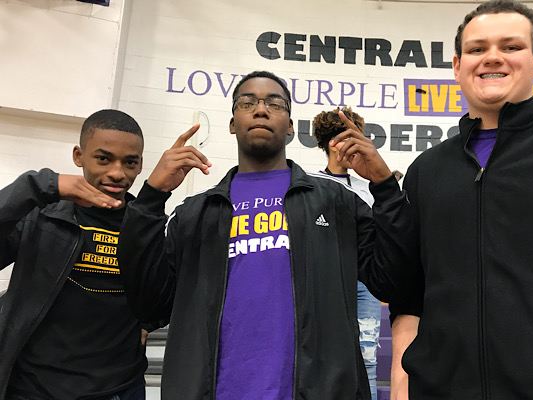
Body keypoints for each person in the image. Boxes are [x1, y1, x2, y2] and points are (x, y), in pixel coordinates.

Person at [117, 70, 410, 400]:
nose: (260, 109)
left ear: (289, 127)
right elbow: (149, 304)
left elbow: (393, 280)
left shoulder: (336, 203)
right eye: (247, 102)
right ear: (232, 123)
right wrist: (151, 198)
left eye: (274, 103)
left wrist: (385, 187)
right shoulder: (195, 215)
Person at [385, 1, 533, 399]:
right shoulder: (426, 171)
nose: (492, 58)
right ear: (457, 65)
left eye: (510, 46)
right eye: (478, 49)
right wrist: (401, 386)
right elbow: (411, 292)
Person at [0, 109, 152, 400]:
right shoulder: (40, 217)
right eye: (103, 159)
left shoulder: (147, 226)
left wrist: (148, 323)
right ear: (79, 156)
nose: (117, 173)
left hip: (119, 389)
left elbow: (161, 293)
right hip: (35, 389)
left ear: (140, 164)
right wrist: (38, 186)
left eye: (129, 162)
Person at [312, 106, 381, 400]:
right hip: (324, 282)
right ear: (333, 143)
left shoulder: (371, 187)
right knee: (319, 357)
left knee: (367, 359)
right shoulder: (309, 184)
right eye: (350, 138)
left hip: (365, 284)